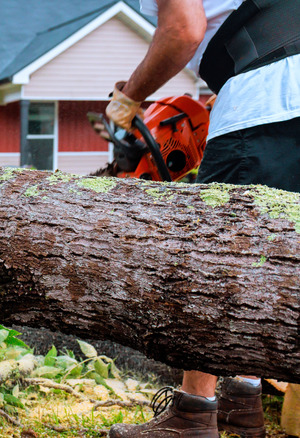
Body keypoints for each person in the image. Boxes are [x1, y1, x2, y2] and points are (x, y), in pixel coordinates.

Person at [103, 0, 300, 437]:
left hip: (266, 97)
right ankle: (242, 396)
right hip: (281, 90)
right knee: (273, 264)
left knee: (216, 262)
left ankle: (192, 414)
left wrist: (127, 100)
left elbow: (183, 30)